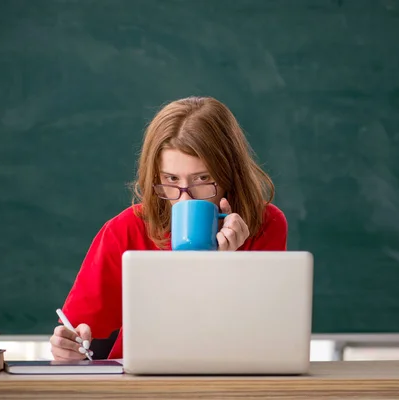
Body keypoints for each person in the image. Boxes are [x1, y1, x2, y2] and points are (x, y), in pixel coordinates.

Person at [49, 96, 288, 360]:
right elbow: (80, 336)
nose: (185, 199)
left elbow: (260, 338)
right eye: (171, 179)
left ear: (230, 175)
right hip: (138, 384)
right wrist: (69, 348)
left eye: (203, 178)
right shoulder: (125, 229)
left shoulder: (265, 224)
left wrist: (224, 268)